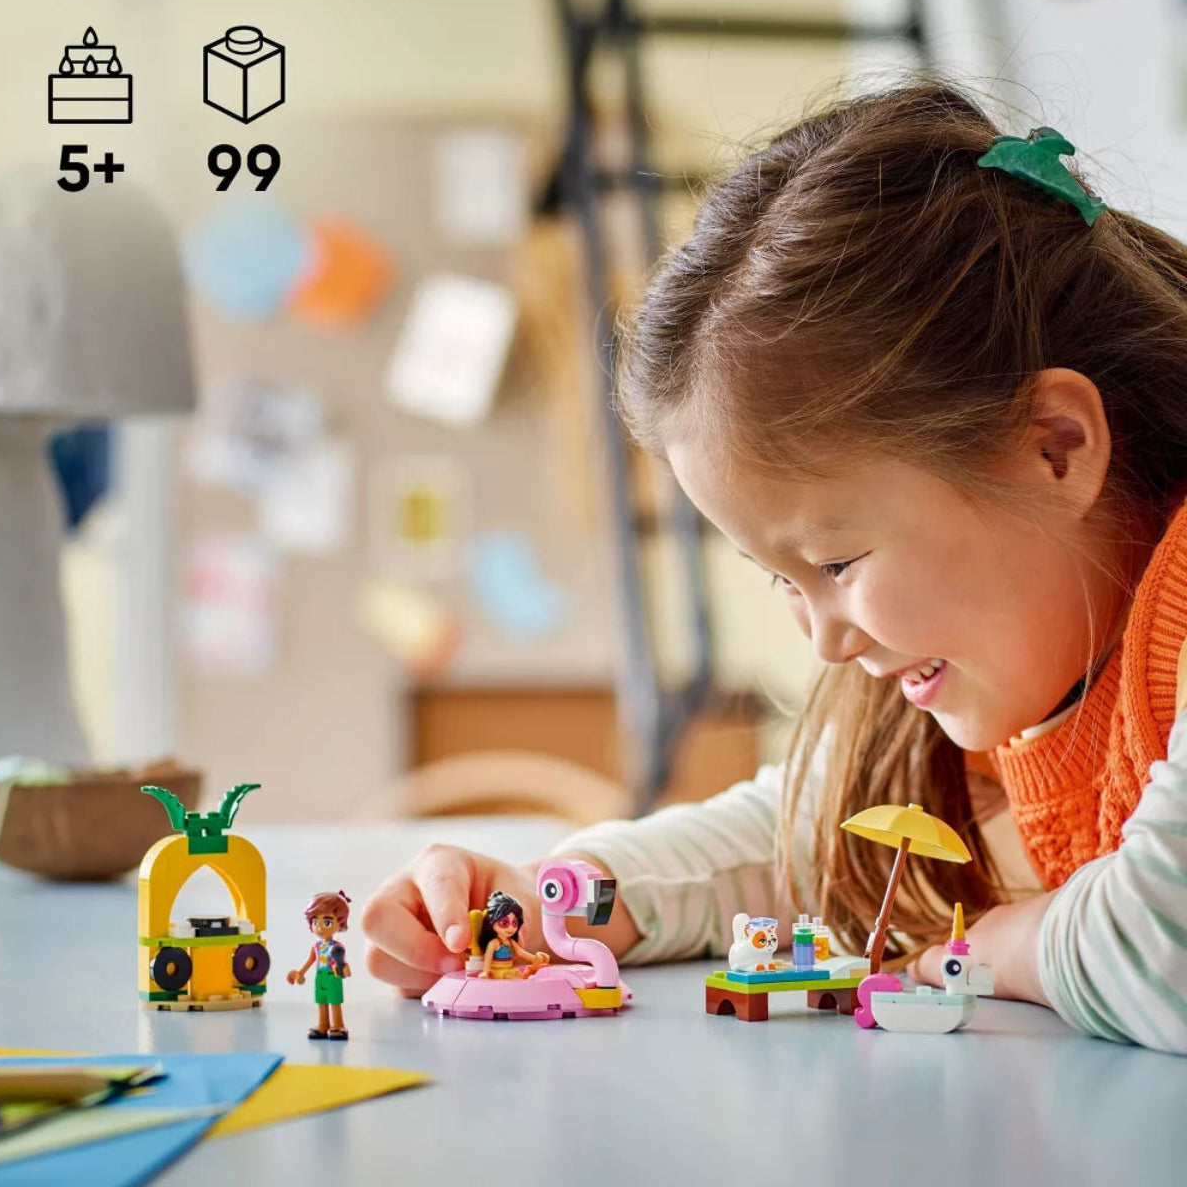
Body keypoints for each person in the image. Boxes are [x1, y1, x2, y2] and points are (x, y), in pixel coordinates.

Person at [362, 77, 1187, 1054]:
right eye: (783, 581)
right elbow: (804, 836)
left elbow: (1162, 954)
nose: (828, 640)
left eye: (837, 559)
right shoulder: (1014, 649)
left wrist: (1012, 947)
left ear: (1055, 446)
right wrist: (563, 898)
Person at [288, 890, 354, 1039]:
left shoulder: (337, 946)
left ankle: (338, 1026)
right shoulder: (316, 947)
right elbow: (310, 961)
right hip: (320, 977)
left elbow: (342, 961)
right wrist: (300, 973)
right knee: (322, 1002)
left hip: (332, 976)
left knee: (334, 1002)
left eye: (327, 922)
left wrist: (345, 969)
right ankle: (323, 1025)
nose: (320, 927)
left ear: (340, 923)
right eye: (315, 922)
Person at [475, 890, 551, 979]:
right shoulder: (494, 943)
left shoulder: (511, 942)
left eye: (514, 923)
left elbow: (520, 952)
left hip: (509, 969)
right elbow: (487, 958)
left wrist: (534, 958)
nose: (511, 928)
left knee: (523, 977)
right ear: (491, 922)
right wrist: (485, 972)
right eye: (504, 923)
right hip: (497, 972)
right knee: (517, 980)